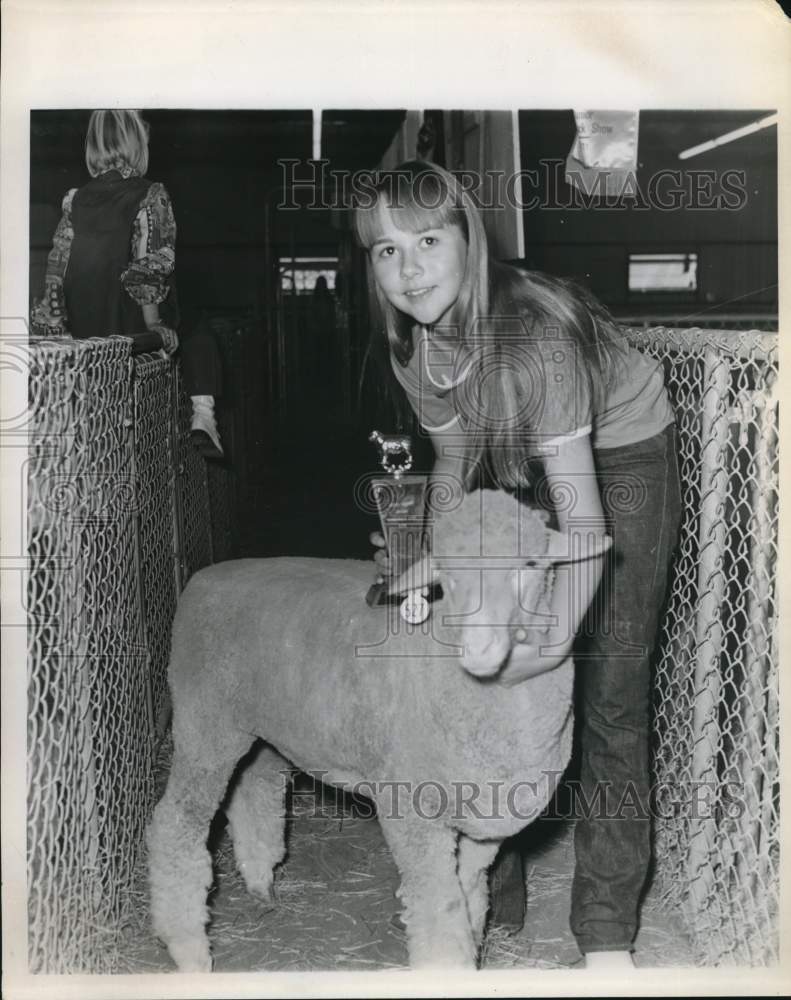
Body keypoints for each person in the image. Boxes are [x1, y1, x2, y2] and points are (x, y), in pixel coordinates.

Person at [354, 160, 681, 970]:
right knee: (485, 659)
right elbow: (452, 460)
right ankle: (489, 892)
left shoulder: (532, 337)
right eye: (387, 251)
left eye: (428, 241)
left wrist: (552, 639)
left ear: (469, 240)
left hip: (619, 455)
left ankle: (605, 935)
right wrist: (431, 563)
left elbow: (584, 525)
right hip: (513, 445)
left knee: (607, 687)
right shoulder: (413, 348)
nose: (409, 269)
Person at [31, 109, 223, 458]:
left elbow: (56, 268)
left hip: (87, 330)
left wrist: (56, 327)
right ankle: (204, 414)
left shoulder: (73, 200)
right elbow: (148, 266)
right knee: (199, 326)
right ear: (137, 144)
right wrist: (154, 324)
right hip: (132, 323)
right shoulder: (151, 194)